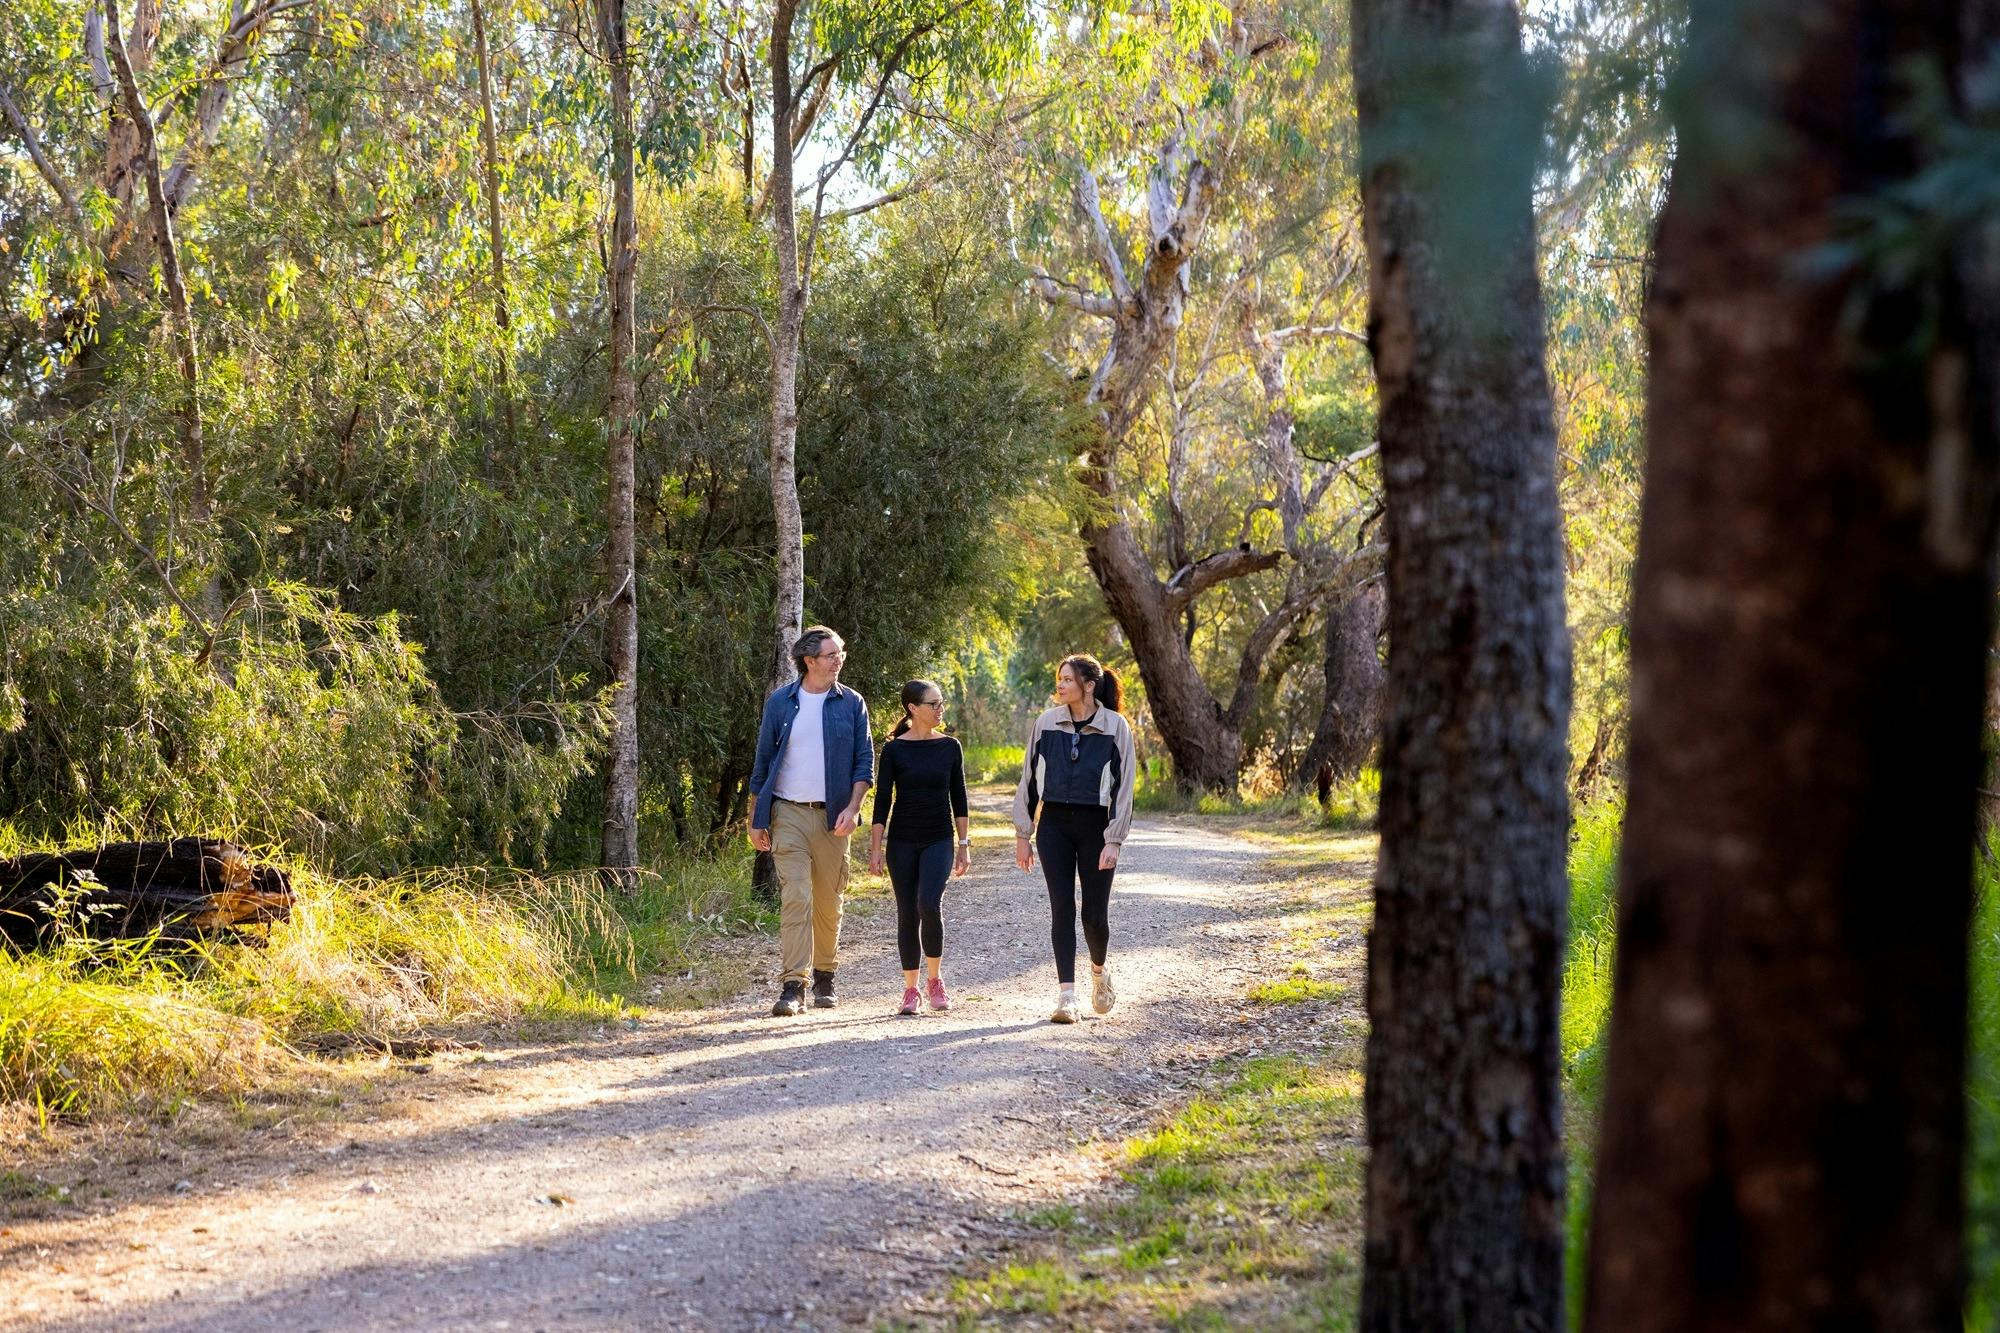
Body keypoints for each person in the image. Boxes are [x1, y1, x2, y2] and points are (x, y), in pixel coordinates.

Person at [747, 626, 874, 1017]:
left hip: (833, 816)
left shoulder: (851, 703)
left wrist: (852, 809)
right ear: (810, 661)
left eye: (841, 653)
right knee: (796, 897)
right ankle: (792, 986)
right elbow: (763, 761)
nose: (839, 659)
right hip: (787, 813)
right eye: (832, 654)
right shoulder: (781, 703)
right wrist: (756, 818)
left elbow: (863, 762)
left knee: (828, 902)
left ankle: (825, 977)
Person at [1011, 654, 1137, 1024]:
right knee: (1061, 908)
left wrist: (1114, 839)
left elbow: (1124, 789)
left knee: (1094, 916)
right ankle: (1067, 996)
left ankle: (1099, 974)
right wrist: (1024, 833)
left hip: (1096, 827)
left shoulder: (1116, 727)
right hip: (1054, 826)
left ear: (1088, 685)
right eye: (1059, 678)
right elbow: (1029, 780)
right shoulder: (1046, 723)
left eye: (1067, 679)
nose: (1060, 685)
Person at [867, 680, 971, 1015]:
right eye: (934, 704)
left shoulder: (950, 747)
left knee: (929, 903)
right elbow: (882, 802)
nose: (941, 709)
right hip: (902, 841)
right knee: (907, 912)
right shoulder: (895, 750)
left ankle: (935, 980)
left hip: (939, 838)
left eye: (942, 703)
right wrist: (875, 848)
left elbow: (960, 799)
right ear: (913, 709)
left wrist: (964, 844)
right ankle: (910, 990)